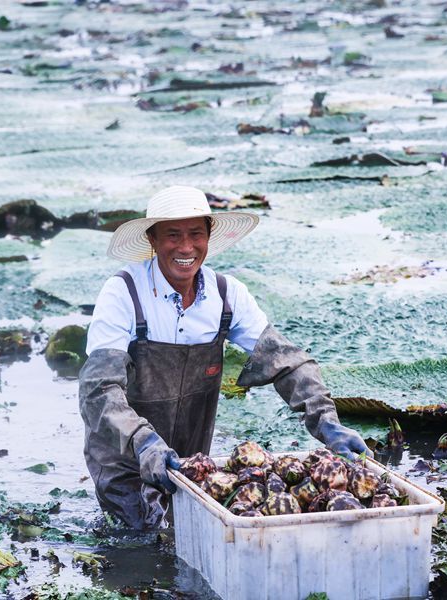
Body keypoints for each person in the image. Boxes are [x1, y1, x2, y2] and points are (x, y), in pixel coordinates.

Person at [79, 185, 370, 529]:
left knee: (189, 542)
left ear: (209, 237)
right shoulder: (124, 292)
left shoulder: (227, 295)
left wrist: (326, 421)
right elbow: (98, 390)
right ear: (153, 240)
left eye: (195, 234)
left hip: (188, 460)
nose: (185, 247)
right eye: (172, 235)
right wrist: (144, 442)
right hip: (125, 460)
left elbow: (286, 361)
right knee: (141, 542)